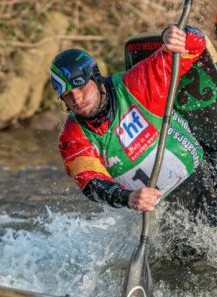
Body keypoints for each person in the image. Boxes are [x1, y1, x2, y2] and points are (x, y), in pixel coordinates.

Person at [53, 25, 206, 213]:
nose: (77, 98)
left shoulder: (137, 84)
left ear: (96, 77)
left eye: (82, 87)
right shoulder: (72, 137)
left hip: (200, 178)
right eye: (68, 95)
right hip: (157, 211)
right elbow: (91, 182)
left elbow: (195, 45)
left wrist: (178, 36)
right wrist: (128, 197)